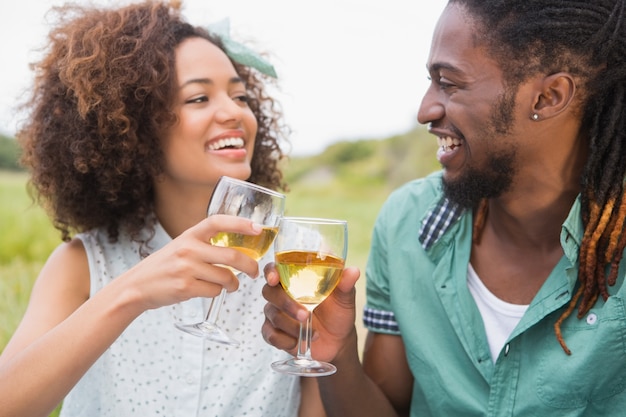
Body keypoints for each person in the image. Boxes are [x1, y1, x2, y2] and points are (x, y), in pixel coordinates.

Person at [262, 0, 626, 415]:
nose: (425, 110)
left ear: (547, 97)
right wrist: (339, 353)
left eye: (449, 83)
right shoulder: (405, 224)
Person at [0, 1, 324, 416]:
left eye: (240, 96)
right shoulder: (83, 264)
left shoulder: (298, 260)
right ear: (133, 127)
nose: (233, 113)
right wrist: (132, 292)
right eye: (199, 97)